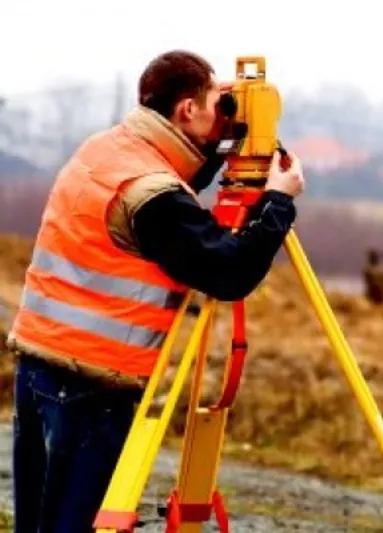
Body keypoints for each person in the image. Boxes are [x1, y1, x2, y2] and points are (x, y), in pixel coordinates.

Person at [6, 50, 305, 533]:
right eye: (216, 103)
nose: (223, 114)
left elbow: (169, 192)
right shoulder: (153, 196)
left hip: (39, 366)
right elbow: (228, 272)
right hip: (90, 388)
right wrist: (277, 202)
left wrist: (216, 144)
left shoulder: (106, 150)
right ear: (187, 109)